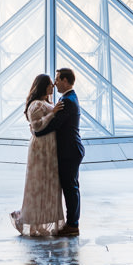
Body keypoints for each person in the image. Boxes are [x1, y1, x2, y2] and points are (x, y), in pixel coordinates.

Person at [10, 74, 66, 236]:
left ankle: (40, 223)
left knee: (47, 186)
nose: (52, 87)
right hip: (41, 150)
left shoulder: (45, 103)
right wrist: (52, 112)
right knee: (38, 186)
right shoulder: (36, 105)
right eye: (49, 84)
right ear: (42, 86)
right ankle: (34, 224)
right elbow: (37, 126)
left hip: (48, 148)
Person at [33, 67, 85, 237]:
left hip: (69, 151)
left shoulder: (67, 100)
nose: (55, 84)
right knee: (72, 187)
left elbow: (56, 124)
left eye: (57, 79)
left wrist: (37, 132)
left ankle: (72, 225)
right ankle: (72, 223)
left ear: (65, 80)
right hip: (71, 149)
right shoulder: (69, 97)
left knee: (70, 188)